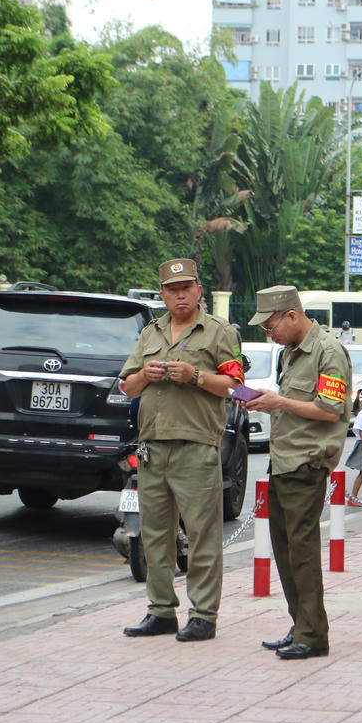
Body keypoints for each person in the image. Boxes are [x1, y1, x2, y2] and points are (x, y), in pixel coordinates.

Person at [119, 259, 244, 643]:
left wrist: (196, 376)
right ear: (163, 294)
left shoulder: (218, 332)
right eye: (172, 290)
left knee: (202, 533)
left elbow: (236, 387)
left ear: (199, 291)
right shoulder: (151, 332)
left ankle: (203, 615)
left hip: (196, 445)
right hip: (153, 446)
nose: (180, 295)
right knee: (156, 534)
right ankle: (160, 611)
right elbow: (127, 387)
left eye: (187, 287)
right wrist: (144, 375)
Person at [246, 285, 351, 660]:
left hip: (307, 463)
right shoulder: (291, 353)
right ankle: (300, 624)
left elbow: (330, 410)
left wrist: (279, 402)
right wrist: (268, 404)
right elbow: (294, 406)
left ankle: (313, 635)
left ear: (292, 315)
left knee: (302, 552)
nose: (268, 334)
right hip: (284, 461)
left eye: (270, 325)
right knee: (285, 550)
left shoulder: (328, 352)